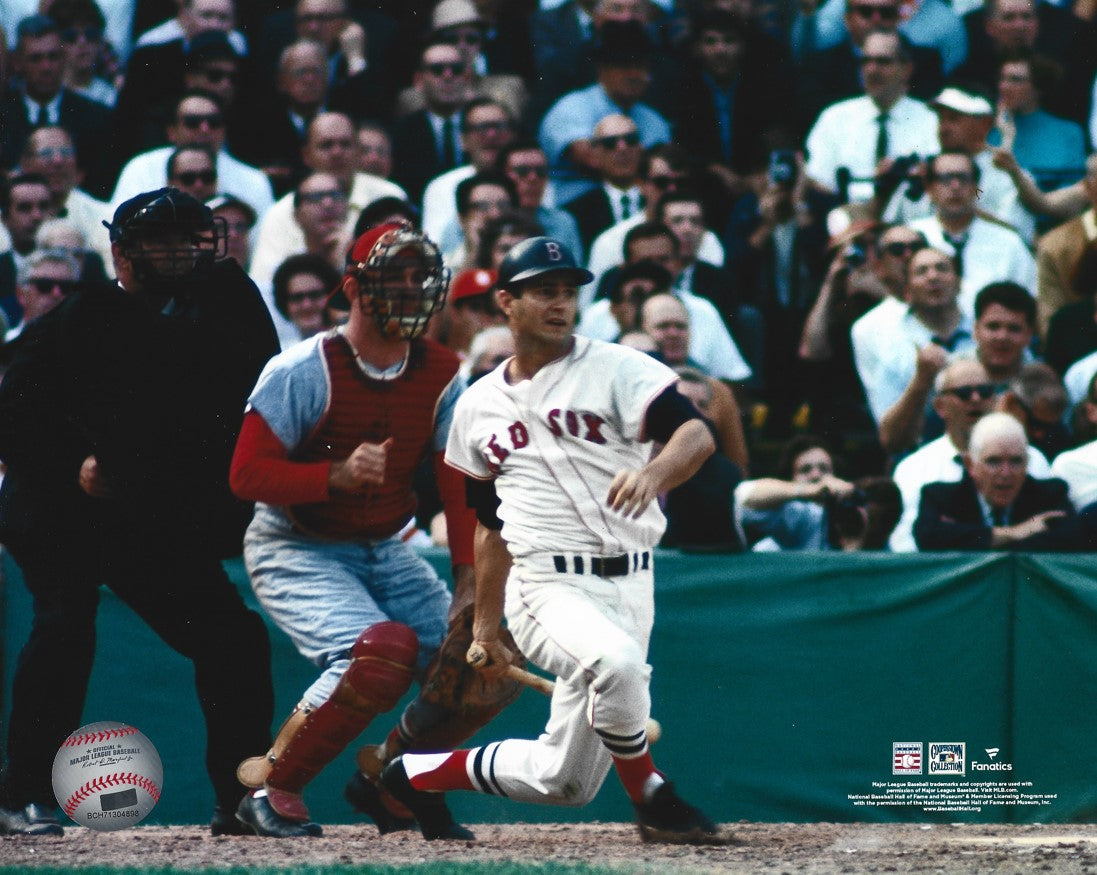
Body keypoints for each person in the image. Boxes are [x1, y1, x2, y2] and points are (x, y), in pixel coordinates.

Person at [378, 235, 726, 845]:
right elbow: (491, 527)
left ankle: (412, 774)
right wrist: (486, 625)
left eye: (568, 291)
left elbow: (696, 437)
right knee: (618, 669)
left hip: (633, 580)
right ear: (506, 302)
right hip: (546, 584)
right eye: (544, 291)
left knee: (564, 780)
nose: (561, 303)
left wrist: (652, 473)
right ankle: (652, 796)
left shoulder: (619, 367)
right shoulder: (478, 404)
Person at [0, 188, 279, 836]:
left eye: (189, 238)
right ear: (122, 253)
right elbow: (12, 407)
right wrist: (71, 462)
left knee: (232, 636)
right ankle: (20, 793)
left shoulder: (228, 301)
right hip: (58, 505)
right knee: (66, 620)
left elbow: (259, 392)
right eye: (161, 241)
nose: (179, 253)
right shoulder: (85, 313)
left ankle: (241, 795)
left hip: (147, 513)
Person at [228, 222, 521, 838]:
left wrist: (469, 583)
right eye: (397, 276)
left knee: (483, 660)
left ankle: (389, 780)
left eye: (422, 277)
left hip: (385, 546)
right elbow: (245, 475)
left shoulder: (444, 372)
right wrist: (330, 475)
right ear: (354, 288)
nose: (414, 290)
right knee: (378, 651)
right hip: (295, 542)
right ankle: (270, 790)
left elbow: (457, 483)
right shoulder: (302, 368)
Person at [889, 356, 1051, 551]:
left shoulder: (1034, 458)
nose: (976, 399)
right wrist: (1011, 533)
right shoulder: (914, 467)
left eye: (984, 392)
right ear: (940, 406)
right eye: (964, 393)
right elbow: (908, 543)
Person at [913, 411, 1081, 550]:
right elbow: (928, 537)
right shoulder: (940, 497)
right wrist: (1013, 533)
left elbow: (1071, 539)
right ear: (970, 464)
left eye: (1016, 461)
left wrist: (974, 538)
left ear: (1027, 463)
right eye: (994, 461)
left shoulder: (1052, 495)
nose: (1006, 473)